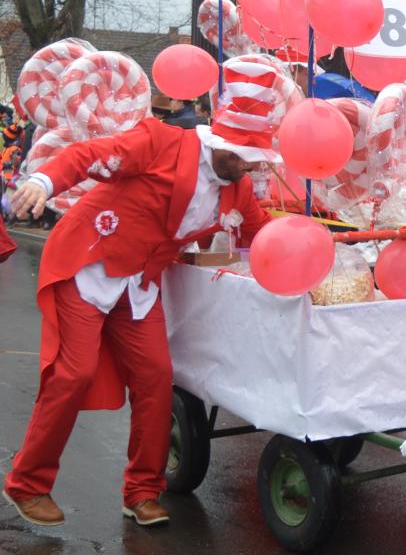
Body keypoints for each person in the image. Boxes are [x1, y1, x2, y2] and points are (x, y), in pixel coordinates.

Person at [1, 57, 278, 529]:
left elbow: (264, 238)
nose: (252, 166)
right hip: (89, 265)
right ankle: (27, 483)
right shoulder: (161, 142)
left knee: (155, 377)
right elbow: (88, 155)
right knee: (74, 372)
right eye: (246, 156)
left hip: (140, 285)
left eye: (259, 158)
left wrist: (318, 256)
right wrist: (43, 180)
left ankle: (142, 491)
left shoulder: (238, 187)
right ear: (223, 144)